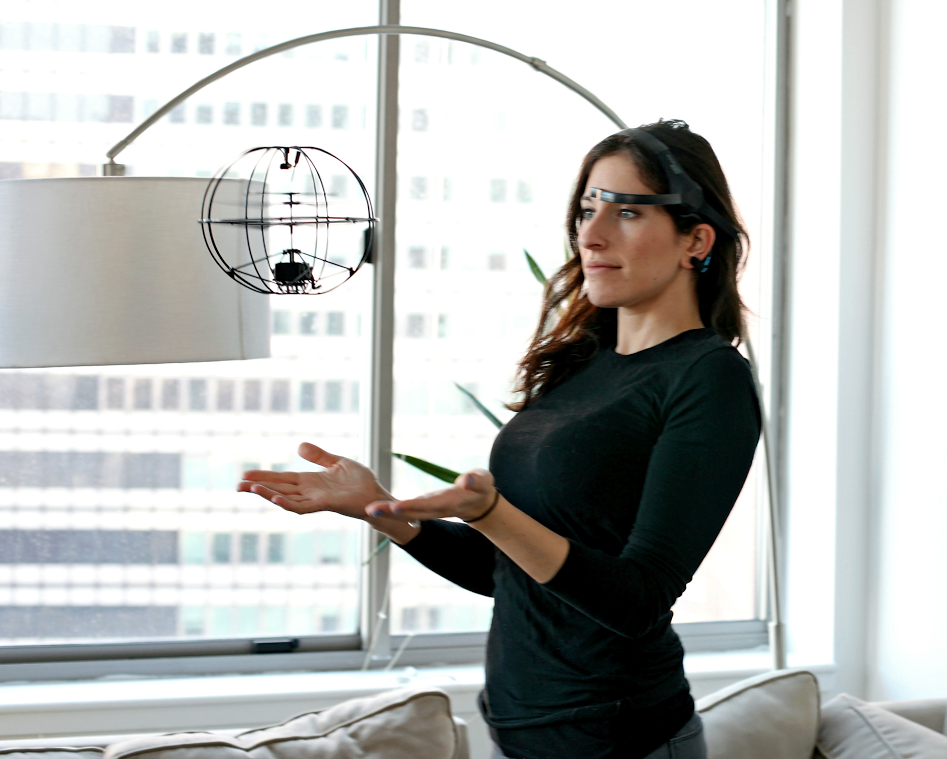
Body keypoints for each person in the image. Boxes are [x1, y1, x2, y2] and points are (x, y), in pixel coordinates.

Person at [239, 119, 761, 759]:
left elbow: (638, 602)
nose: (591, 235)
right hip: (518, 734)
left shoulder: (708, 379)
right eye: (587, 211)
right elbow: (510, 573)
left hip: (621, 738)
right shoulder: (581, 366)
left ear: (695, 240)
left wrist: (490, 513)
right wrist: (382, 510)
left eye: (626, 212)